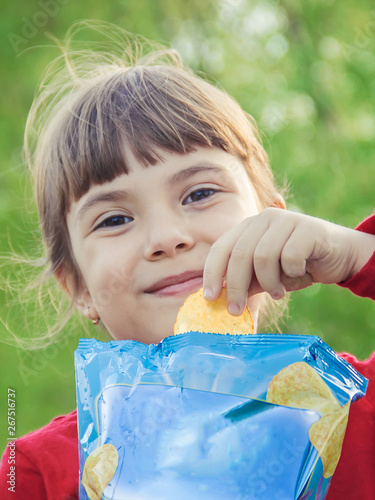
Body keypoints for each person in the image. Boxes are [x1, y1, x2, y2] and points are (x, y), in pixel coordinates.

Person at [0, 23, 374, 499]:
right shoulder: (38, 474)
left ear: (272, 224)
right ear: (78, 287)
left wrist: (357, 255)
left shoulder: (353, 408)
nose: (167, 238)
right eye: (114, 219)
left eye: (200, 192)